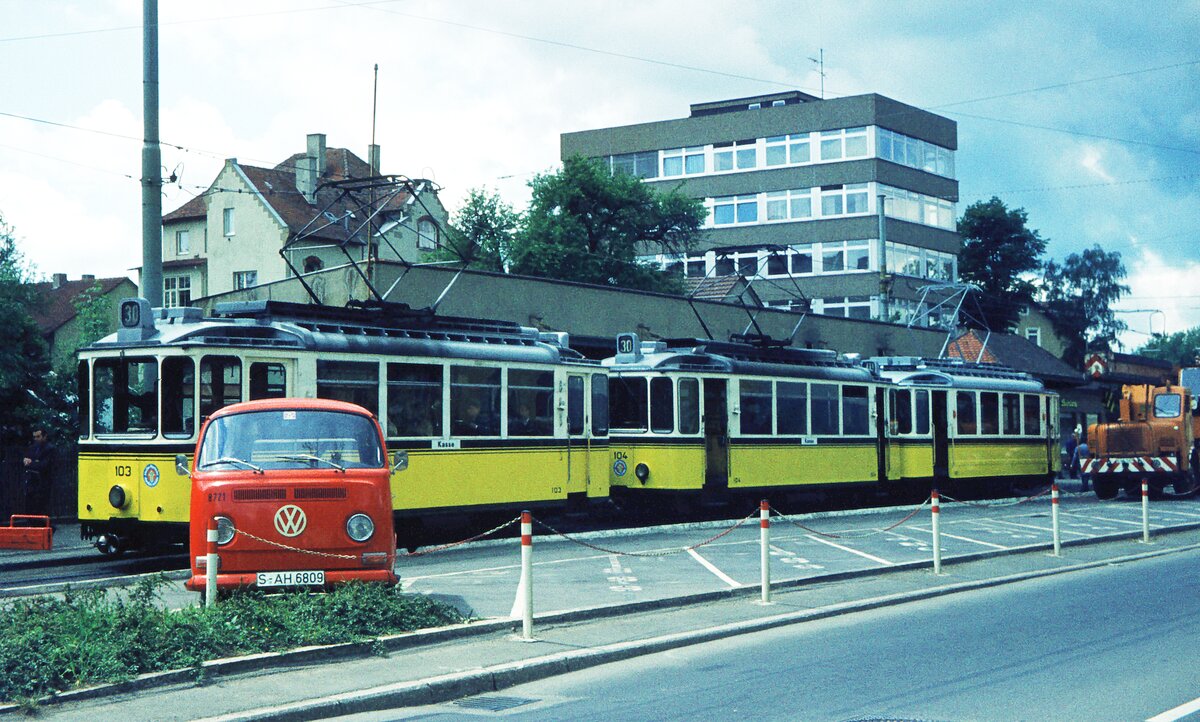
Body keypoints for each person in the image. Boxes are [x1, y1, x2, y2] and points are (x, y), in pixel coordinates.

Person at [22, 427, 54, 517]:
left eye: (38, 437)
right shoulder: (32, 448)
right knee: (30, 506)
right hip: (32, 481)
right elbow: (27, 461)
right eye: (34, 437)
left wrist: (32, 463)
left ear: (44, 436)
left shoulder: (49, 449)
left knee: (41, 506)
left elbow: (44, 465)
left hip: (43, 482)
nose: (36, 439)